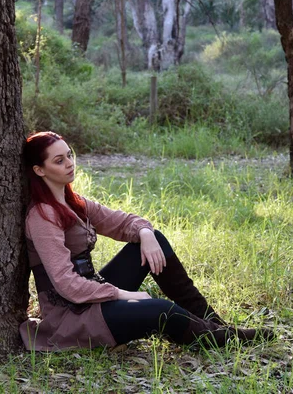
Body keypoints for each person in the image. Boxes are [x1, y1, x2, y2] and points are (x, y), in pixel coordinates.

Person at [20, 131, 274, 352]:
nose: (69, 163)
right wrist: (122, 294)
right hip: (71, 316)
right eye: (59, 160)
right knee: (159, 309)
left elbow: (124, 222)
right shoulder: (42, 216)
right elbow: (65, 283)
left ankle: (214, 322)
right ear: (39, 170)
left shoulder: (77, 203)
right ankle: (221, 338)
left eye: (69, 155)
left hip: (93, 295)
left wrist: (146, 234)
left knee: (156, 241)